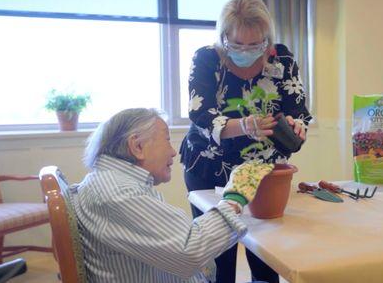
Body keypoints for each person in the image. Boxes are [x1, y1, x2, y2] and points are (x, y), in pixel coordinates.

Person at [180, 0, 311, 283]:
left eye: (255, 44)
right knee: (220, 259)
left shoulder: (283, 58)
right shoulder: (207, 58)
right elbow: (200, 113)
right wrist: (244, 126)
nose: (246, 50)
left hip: (263, 172)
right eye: (237, 44)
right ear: (224, 36)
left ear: (267, 38)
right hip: (210, 167)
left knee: (266, 255)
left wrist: (296, 126)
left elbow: (298, 110)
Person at [71, 108, 271, 282]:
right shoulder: (118, 193)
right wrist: (235, 197)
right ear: (137, 146)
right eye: (167, 140)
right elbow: (191, 250)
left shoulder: (110, 183)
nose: (174, 152)